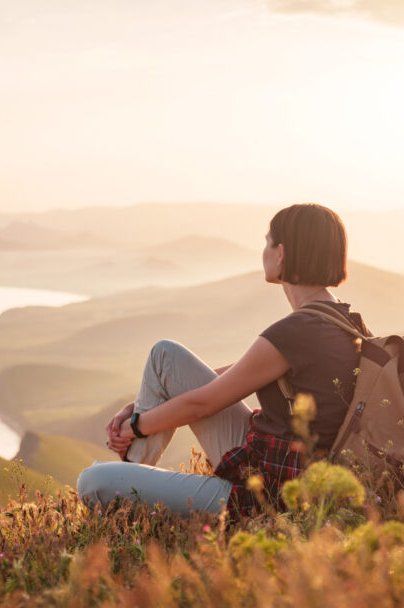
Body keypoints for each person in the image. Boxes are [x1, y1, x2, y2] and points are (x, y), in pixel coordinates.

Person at [76, 203, 368, 517]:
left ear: (281, 253)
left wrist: (136, 426)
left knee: (92, 482)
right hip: (280, 468)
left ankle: (125, 499)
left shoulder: (295, 332)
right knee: (166, 357)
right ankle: (133, 483)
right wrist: (137, 408)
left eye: (267, 242)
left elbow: (202, 405)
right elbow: (230, 378)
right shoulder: (344, 321)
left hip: (266, 495)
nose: (264, 251)